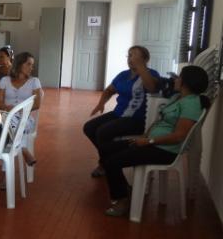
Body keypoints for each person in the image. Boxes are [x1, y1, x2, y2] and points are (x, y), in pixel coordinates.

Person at [100, 65, 209, 217]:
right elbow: (161, 121)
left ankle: (121, 200)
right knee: (106, 149)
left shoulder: (191, 103)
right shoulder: (178, 97)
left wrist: (148, 141)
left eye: (179, 77)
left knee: (112, 162)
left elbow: (179, 136)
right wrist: (145, 136)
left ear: (186, 82)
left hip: (164, 150)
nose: (176, 79)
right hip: (153, 142)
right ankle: (124, 189)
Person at [83, 46, 160, 178]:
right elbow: (109, 90)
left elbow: (152, 87)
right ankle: (110, 159)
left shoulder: (151, 74)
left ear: (145, 59)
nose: (131, 58)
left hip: (137, 119)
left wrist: (141, 67)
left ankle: (105, 165)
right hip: (119, 114)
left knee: (103, 132)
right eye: (129, 55)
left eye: (135, 55)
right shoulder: (123, 75)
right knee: (89, 127)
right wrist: (101, 104)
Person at [0, 52, 42, 167]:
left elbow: (37, 104)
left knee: (6, 126)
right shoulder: (5, 80)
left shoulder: (34, 81)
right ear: (19, 64)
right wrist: (7, 107)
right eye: (29, 64)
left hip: (25, 119)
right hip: (5, 116)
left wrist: (18, 110)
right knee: (6, 123)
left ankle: (5, 176)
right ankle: (23, 147)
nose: (31, 68)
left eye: (32, 65)